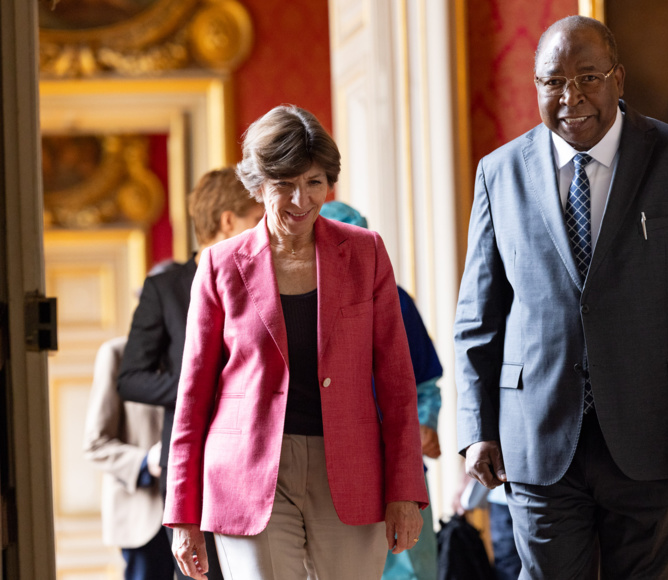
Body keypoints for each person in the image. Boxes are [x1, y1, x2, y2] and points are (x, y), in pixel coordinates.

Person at [454, 15, 668, 579]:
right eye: (553, 81)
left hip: (657, 438)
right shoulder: (498, 173)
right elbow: (478, 318)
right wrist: (476, 427)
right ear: (536, 85)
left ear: (617, 78)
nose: (571, 97)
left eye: (587, 77)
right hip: (536, 441)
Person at [163, 105, 429, 580]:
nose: (300, 199)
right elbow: (193, 396)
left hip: (350, 468)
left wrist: (405, 491)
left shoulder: (366, 252)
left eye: (313, 182)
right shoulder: (220, 265)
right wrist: (182, 513)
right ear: (258, 185)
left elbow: (397, 383)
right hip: (248, 472)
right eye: (284, 183)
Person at [118, 167, 265, 580]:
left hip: (256, 456)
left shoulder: (264, 282)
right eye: (256, 221)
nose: (264, 233)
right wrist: (204, 391)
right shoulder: (165, 290)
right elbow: (131, 377)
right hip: (191, 466)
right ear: (227, 221)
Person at [319, 200, 442, 580]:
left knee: (406, 569)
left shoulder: (396, 301)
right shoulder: (303, 306)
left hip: (396, 470)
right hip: (329, 473)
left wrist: (422, 426)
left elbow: (423, 383)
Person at [84, 335, 174, 580]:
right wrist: (146, 462)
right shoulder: (116, 354)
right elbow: (95, 444)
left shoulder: (203, 353)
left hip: (202, 516)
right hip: (144, 519)